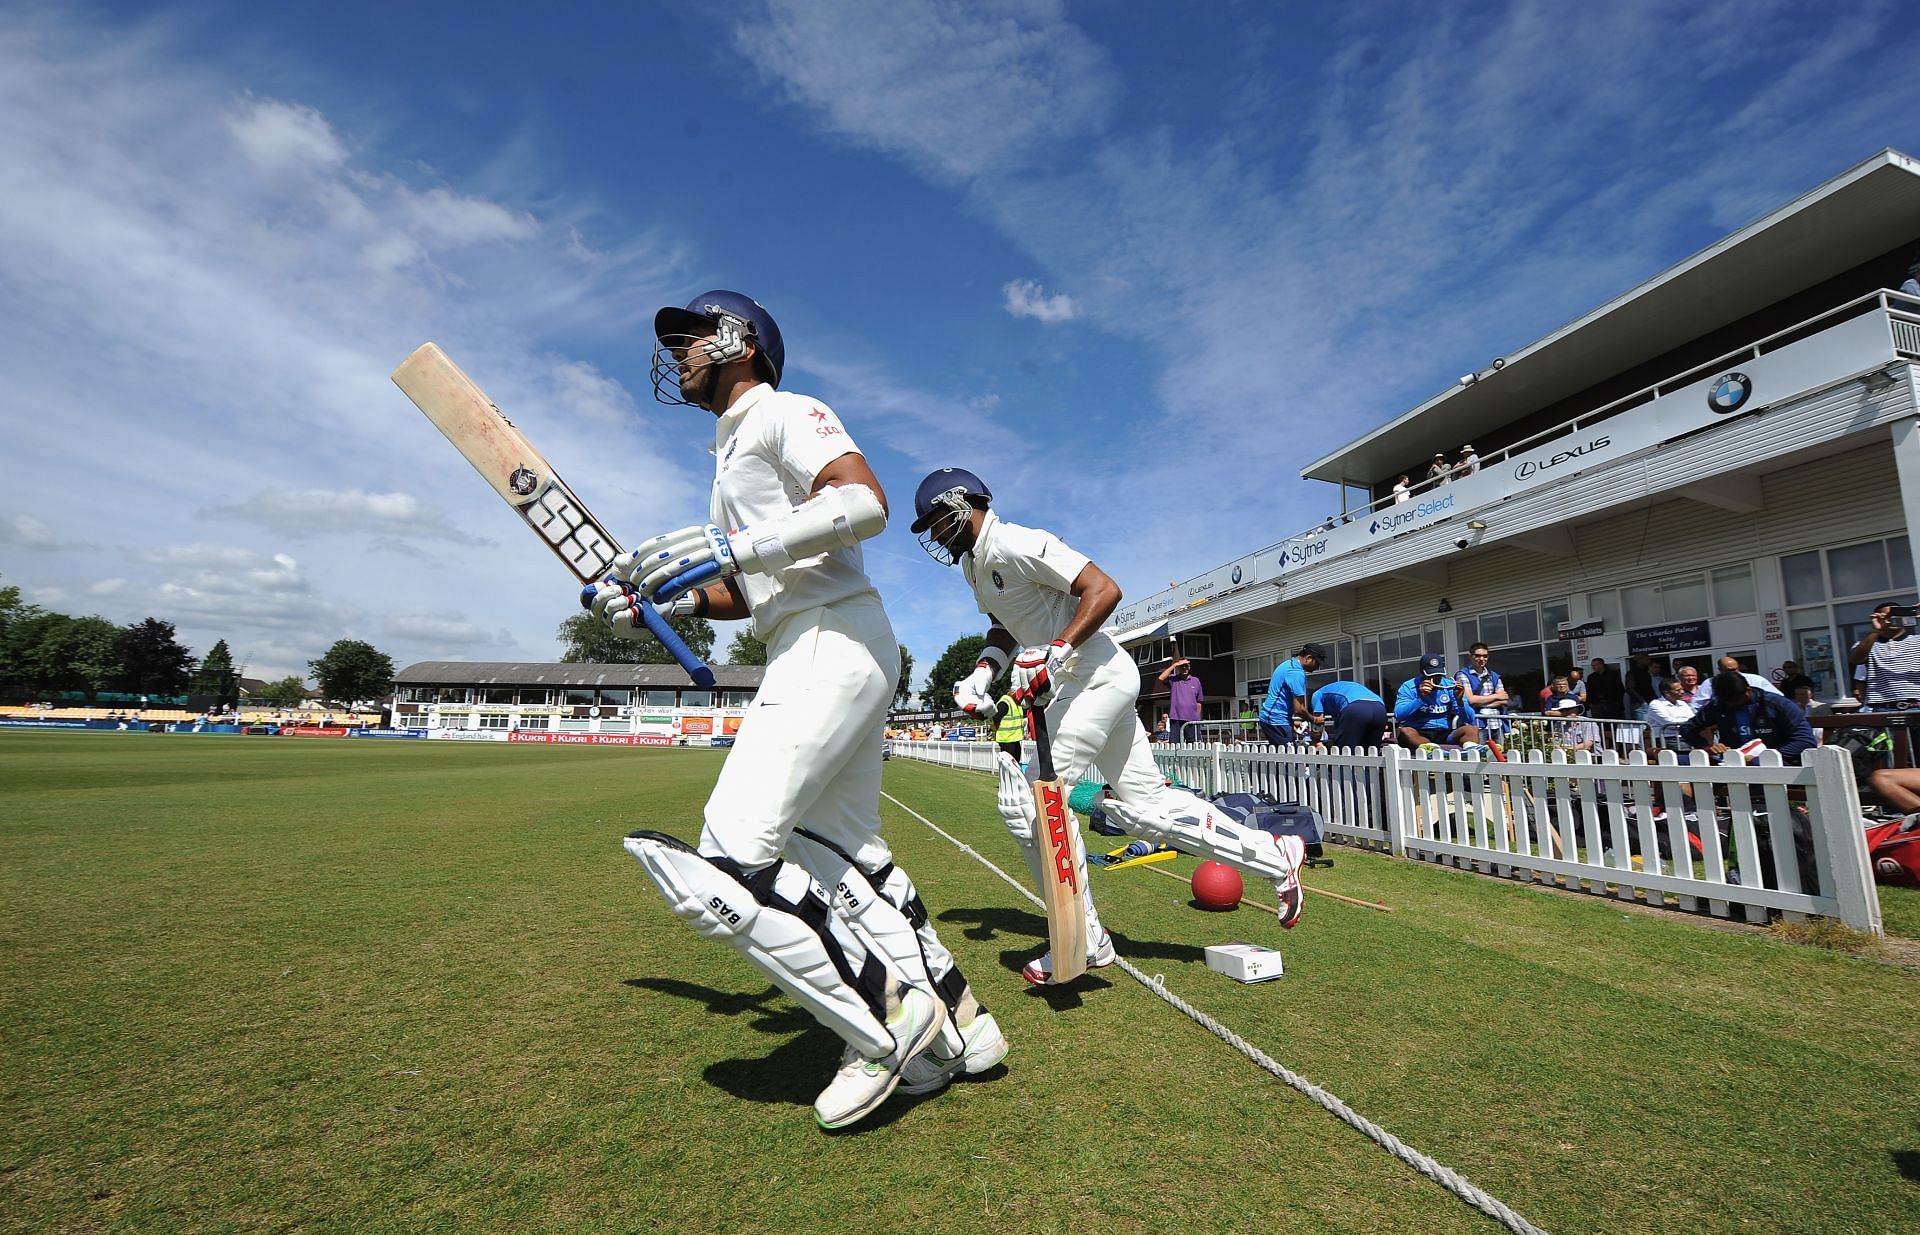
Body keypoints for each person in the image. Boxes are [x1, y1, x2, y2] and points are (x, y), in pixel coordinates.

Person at [585, 290, 1000, 1129]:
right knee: (846, 852)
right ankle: (962, 1019)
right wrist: (664, 605)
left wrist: (734, 546)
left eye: (691, 338)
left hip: (827, 637)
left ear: (740, 342)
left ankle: (887, 1022)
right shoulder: (729, 457)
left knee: (733, 852)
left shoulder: (783, 413)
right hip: (817, 636)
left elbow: (864, 505)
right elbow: (752, 586)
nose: (678, 354)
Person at [911, 466, 1310, 982]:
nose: (937, 535)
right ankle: (1276, 856)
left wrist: (1056, 652)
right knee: (1148, 808)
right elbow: (1005, 628)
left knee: (1031, 801)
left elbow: (1103, 588)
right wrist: (983, 670)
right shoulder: (976, 567)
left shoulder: (1016, 541)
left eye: (939, 520)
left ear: (962, 503)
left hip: (1094, 677)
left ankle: (1084, 938)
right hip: (1088, 681)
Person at [1681, 671, 1817, 764]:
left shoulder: (1777, 704)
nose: (1731, 704)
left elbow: (1805, 740)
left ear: (1748, 690)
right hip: (1732, 762)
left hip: (1775, 762)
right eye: (1727, 701)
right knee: (1682, 761)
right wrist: (1707, 747)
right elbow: (1687, 728)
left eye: (1735, 699)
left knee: (1756, 764)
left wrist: (1766, 756)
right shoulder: (1719, 705)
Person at [1394, 652, 1482, 750]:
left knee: (1471, 730)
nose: (1435, 678)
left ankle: (1472, 750)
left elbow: (1469, 718)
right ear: (1422, 672)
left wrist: (1460, 701)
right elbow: (1399, 715)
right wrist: (1420, 699)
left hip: (1444, 732)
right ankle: (1432, 750)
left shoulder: (1450, 686)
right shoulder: (1408, 687)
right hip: (1418, 731)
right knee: (1406, 731)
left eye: (1439, 675)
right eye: (1431, 675)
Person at [1850, 599, 1920, 708]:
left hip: (1916, 705)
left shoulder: (1917, 641)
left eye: (1896, 615)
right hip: (1882, 707)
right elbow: (1855, 659)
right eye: (1887, 616)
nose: (1891, 619)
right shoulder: (1866, 644)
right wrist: (1876, 630)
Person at [1258, 644, 1325, 746]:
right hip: (1276, 720)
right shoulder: (1296, 673)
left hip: (1273, 718)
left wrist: (1290, 722)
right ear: (1308, 658)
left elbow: (1282, 699)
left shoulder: (1288, 664)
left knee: (1284, 754)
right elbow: (1299, 709)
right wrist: (1314, 719)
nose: (1317, 667)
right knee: (1289, 758)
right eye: (1317, 663)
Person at [1309, 679, 1389, 748]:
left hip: (1355, 707)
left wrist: (1316, 741)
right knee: (1371, 751)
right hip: (1380, 708)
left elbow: (1318, 720)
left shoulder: (1317, 694)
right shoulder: (1338, 692)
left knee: (1346, 751)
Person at [1690, 654, 1784, 711]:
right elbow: (1696, 705)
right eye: (1728, 670)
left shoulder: (1756, 680)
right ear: (1720, 670)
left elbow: (1779, 697)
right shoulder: (1710, 683)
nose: (1733, 673)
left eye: (1735, 669)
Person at [1455, 643, 1509, 739]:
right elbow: (1470, 700)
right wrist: (1496, 696)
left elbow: (1504, 699)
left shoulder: (1494, 676)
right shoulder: (1462, 674)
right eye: (1478, 656)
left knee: (1499, 753)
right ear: (1470, 656)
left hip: (1496, 724)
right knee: (1478, 753)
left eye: (1485, 656)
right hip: (1476, 724)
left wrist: (1478, 702)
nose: (1482, 659)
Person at [1158, 656, 1204, 743]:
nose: (1184, 668)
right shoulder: (1174, 680)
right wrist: (1174, 664)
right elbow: (1161, 678)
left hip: (1192, 719)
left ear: (1189, 667)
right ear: (1178, 668)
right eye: (1182, 666)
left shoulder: (1196, 681)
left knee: (1194, 745)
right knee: (1175, 745)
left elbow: (1199, 701)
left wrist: (1198, 718)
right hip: (1176, 719)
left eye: (1186, 666)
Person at [1646, 679, 1696, 750]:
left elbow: (1693, 719)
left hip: (1686, 736)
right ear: (1667, 693)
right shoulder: (1656, 704)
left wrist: (1686, 723)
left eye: (1682, 689)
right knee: (1686, 752)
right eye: (1678, 690)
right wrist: (1688, 723)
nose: (1682, 692)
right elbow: (1669, 723)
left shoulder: (1682, 703)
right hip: (1668, 738)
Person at [993, 692, 1026, 759]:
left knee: (1014, 765)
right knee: (1008, 765)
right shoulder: (1005, 702)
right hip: (1007, 740)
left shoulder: (1016, 703)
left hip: (1015, 739)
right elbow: (996, 717)